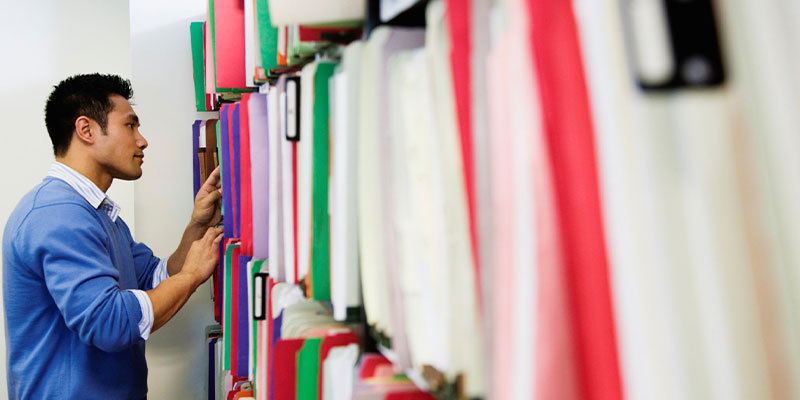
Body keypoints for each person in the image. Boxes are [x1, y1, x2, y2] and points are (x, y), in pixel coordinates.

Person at [2, 73, 223, 399]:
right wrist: (191, 276)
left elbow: (153, 280)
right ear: (86, 130)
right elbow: (110, 323)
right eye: (130, 126)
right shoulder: (58, 214)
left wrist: (197, 227)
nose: (142, 140)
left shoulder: (95, 211)